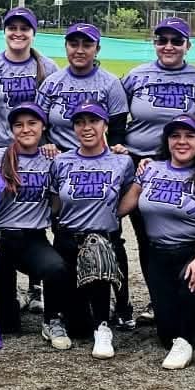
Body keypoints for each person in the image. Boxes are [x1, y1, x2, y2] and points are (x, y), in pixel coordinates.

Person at [116, 114, 195, 369]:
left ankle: (186, 342)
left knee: (183, 319)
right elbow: (123, 207)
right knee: (166, 335)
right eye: (175, 136)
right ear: (167, 141)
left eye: (189, 136)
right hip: (159, 255)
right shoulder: (151, 168)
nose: (182, 141)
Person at [119, 16, 195, 325]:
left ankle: (193, 295)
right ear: (154, 43)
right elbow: (115, 114)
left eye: (176, 40)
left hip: (183, 164)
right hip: (140, 162)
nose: (169, 46)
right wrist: (118, 147)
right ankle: (159, 298)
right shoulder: (136, 75)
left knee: (187, 231)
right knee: (148, 236)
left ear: (187, 45)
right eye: (162, 40)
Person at [47, 103, 136, 360]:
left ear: (105, 125)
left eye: (93, 121)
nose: (86, 128)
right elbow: (55, 203)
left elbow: (132, 191)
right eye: (80, 122)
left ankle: (103, 327)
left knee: (98, 251)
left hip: (101, 239)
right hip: (68, 240)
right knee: (78, 328)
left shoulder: (122, 161)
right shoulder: (62, 161)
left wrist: (112, 217)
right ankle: (71, 318)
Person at [0, 103, 69, 346]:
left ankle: (52, 320)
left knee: (56, 267)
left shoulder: (53, 160)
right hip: (0, 238)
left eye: (32, 123)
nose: (26, 129)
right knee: (7, 326)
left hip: (32, 237)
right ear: (12, 129)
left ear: (43, 127)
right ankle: (11, 303)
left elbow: (56, 202)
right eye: (19, 125)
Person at [0, 7, 59, 169]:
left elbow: (52, 115)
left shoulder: (49, 68)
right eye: (12, 28)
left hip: (37, 152)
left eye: (24, 28)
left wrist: (49, 143)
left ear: (33, 33)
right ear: (4, 32)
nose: (18, 33)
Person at [36, 23, 128, 153]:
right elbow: (37, 123)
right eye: (73, 45)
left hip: (96, 157)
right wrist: (46, 145)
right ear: (66, 47)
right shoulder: (51, 83)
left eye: (87, 45)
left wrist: (112, 154)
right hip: (57, 156)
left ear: (97, 49)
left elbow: (117, 130)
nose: (79, 51)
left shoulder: (111, 83)